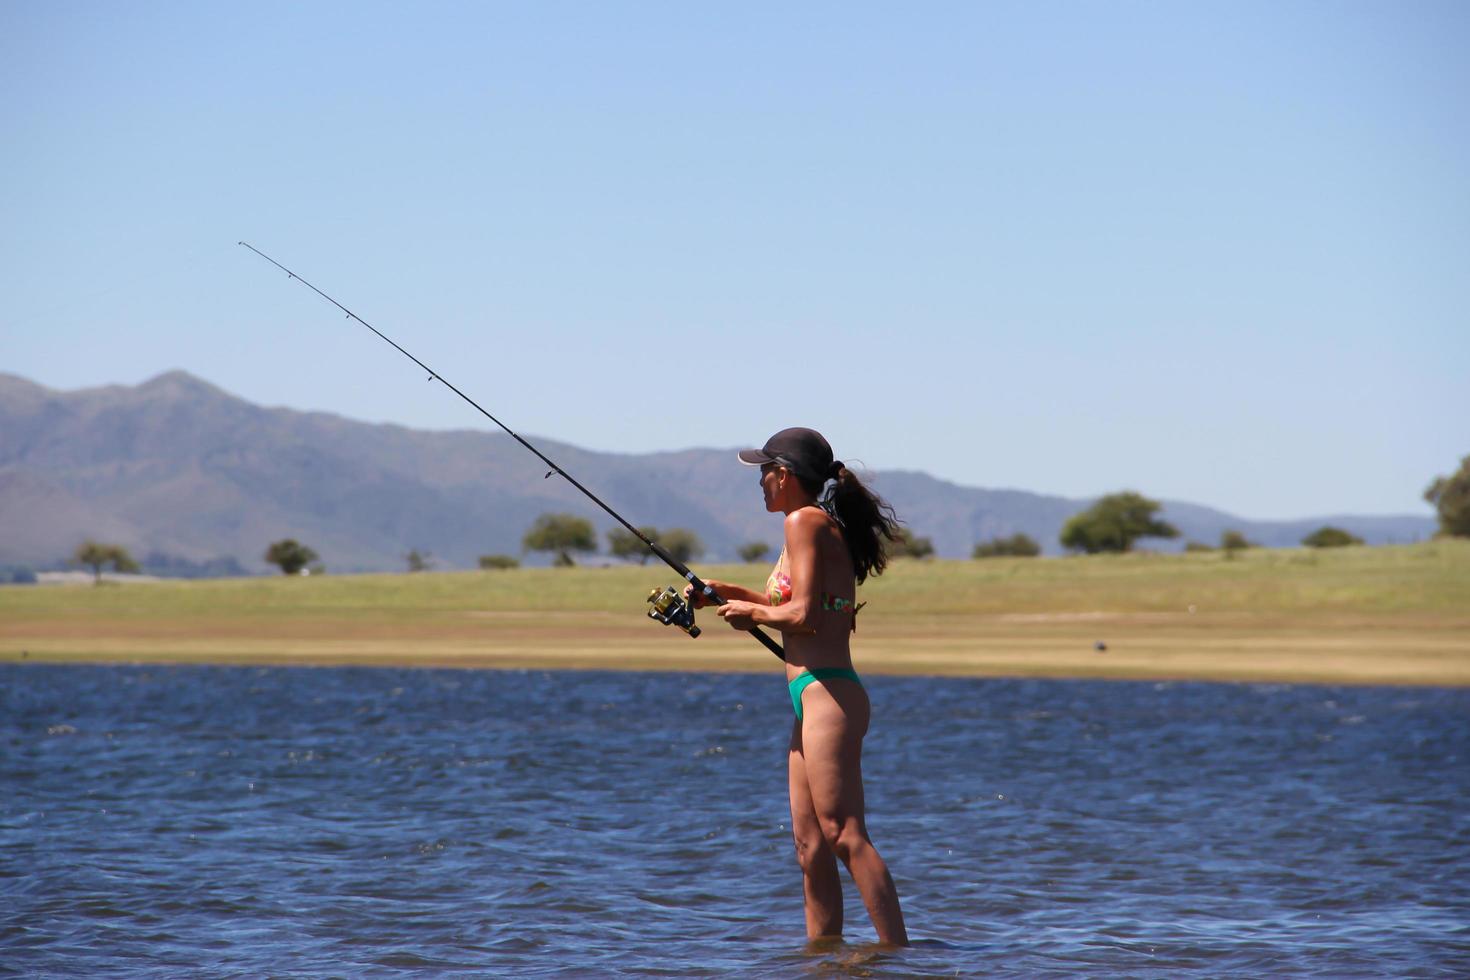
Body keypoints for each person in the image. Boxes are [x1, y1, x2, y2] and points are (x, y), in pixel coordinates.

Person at [687, 427, 909, 946]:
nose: (760, 482)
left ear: (784, 475)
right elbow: (793, 600)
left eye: (764, 472)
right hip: (808, 696)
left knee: (843, 834)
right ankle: (822, 958)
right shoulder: (808, 524)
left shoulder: (804, 522)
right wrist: (722, 594)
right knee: (810, 846)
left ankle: (898, 957)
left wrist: (754, 615)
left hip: (829, 693)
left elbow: (803, 614)